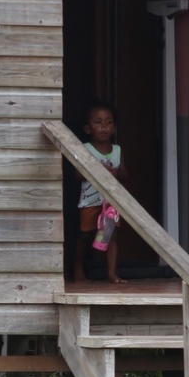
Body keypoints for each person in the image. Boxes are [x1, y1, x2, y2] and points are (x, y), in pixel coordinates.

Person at [72, 100, 126, 285]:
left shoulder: (117, 151)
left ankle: (112, 273)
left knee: (110, 236)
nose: (104, 126)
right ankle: (78, 267)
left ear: (114, 128)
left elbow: (125, 175)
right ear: (87, 128)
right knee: (86, 235)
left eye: (109, 122)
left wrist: (116, 172)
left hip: (111, 203)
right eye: (98, 122)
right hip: (90, 201)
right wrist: (95, 170)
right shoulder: (85, 149)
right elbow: (77, 175)